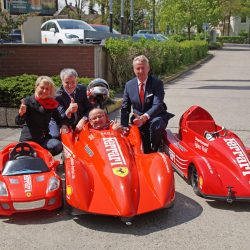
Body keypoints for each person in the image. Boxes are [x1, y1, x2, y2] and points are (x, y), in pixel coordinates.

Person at [120, 55, 174, 153]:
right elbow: (125, 107)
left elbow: (157, 104)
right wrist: (124, 125)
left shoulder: (157, 83)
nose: (140, 71)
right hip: (138, 119)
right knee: (144, 148)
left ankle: (157, 149)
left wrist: (145, 117)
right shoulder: (129, 85)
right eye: (138, 68)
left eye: (143, 68)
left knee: (156, 126)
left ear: (148, 68)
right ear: (133, 69)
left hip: (156, 116)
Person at [15, 76, 68, 156]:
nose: (44, 91)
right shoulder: (28, 101)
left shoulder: (51, 103)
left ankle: (43, 157)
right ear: (36, 87)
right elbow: (18, 122)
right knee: (28, 158)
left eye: (47, 89)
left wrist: (64, 125)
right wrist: (21, 114)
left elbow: (59, 119)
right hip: (29, 139)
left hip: (44, 139)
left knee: (57, 145)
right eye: (42, 88)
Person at [49, 68, 92, 138]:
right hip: (59, 120)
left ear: (76, 80)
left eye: (73, 82)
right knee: (55, 137)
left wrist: (83, 119)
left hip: (79, 120)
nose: (70, 85)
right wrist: (68, 112)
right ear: (62, 81)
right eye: (67, 82)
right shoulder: (56, 96)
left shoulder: (83, 89)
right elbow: (60, 116)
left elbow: (90, 107)